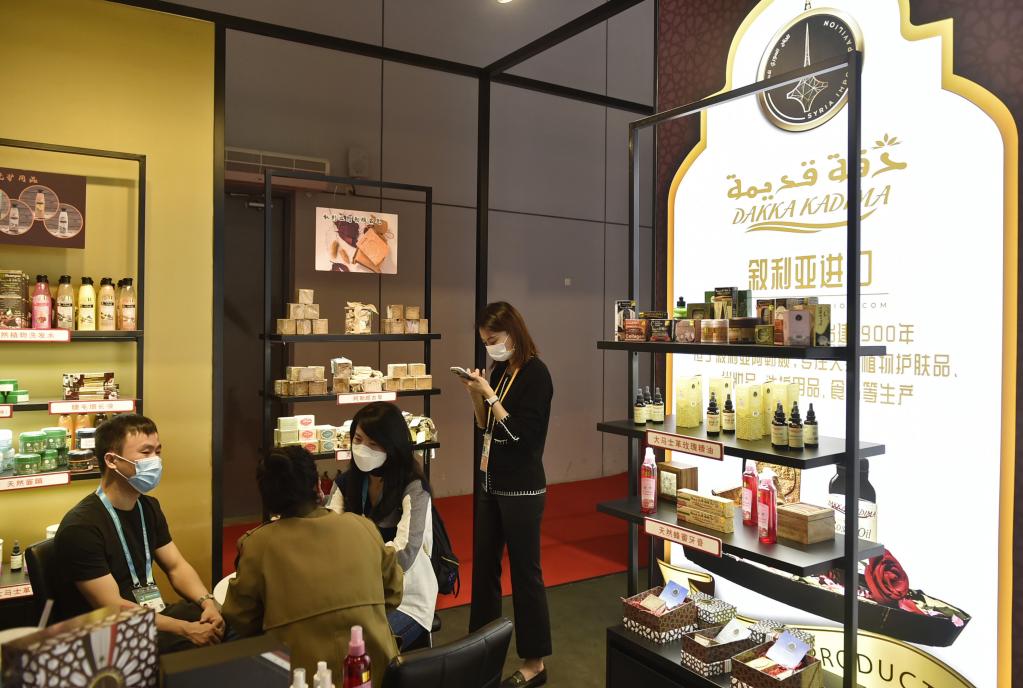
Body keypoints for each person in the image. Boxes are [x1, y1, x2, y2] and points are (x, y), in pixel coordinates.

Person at [223, 446, 402, 685]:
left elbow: (241, 619)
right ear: (318, 486)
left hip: (300, 678)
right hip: (377, 675)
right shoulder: (363, 528)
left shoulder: (257, 546)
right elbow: (393, 594)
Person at [54, 414, 225, 653]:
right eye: (146, 453)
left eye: (158, 452)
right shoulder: (81, 528)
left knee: (227, 622)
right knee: (208, 645)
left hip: (151, 615)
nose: (155, 461)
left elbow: (176, 566)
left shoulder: (148, 507)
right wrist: (185, 629)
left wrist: (207, 602)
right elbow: (111, 607)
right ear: (112, 460)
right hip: (108, 636)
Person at [461, 301, 554, 688]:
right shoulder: (500, 371)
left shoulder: (537, 375)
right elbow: (486, 427)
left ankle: (535, 662)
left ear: (513, 333)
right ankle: (479, 651)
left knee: (525, 572)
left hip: (523, 487)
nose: (490, 347)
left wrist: (491, 396)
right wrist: (476, 395)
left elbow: (521, 437)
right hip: (490, 482)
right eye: (485, 342)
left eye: (494, 339)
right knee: (484, 568)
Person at [327, 402, 437, 650]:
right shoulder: (346, 482)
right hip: (354, 594)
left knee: (359, 647)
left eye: (373, 444)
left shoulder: (413, 487)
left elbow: (404, 554)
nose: (362, 449)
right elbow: (329, 534)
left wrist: (356, 565)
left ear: (392, 446)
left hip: (405, 598)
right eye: (358, 440)